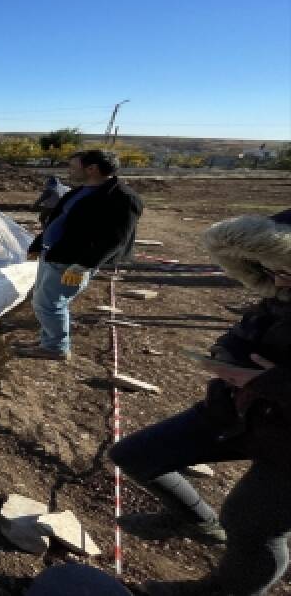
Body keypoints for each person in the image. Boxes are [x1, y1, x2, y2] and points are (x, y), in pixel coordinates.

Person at [110, 209, 291, 596]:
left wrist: (269, 381)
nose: (278, 280)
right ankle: (194, 520)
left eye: (286, 270)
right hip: (237, 413)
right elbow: (245, 332)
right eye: (273, 271)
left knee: (251, 524)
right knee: (137, 454)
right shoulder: (281, 294)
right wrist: (225, 354)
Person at [17, 149, 143, 362]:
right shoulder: (80, 191)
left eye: (74, 167)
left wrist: (84, 264)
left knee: (50, 304)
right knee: (42, 301)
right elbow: (58, 220)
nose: (70, 171)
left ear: (92, 169)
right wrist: (39, 243)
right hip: (53, 254)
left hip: (72, 261)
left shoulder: (122, 198)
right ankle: (49, 341)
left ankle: (55, 348)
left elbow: (116, 239)